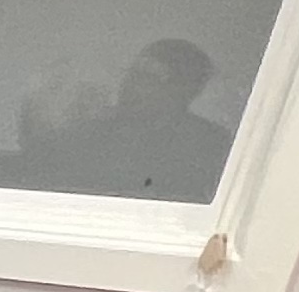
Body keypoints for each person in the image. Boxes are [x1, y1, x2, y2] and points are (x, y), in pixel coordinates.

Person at [13, 38, 234, 200]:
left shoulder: (210, 144)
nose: (131, 82)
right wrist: (37, 107)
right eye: (133, 72)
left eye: (151, 76)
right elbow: (38, 166)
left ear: (185, 89)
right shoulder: (92, 130)